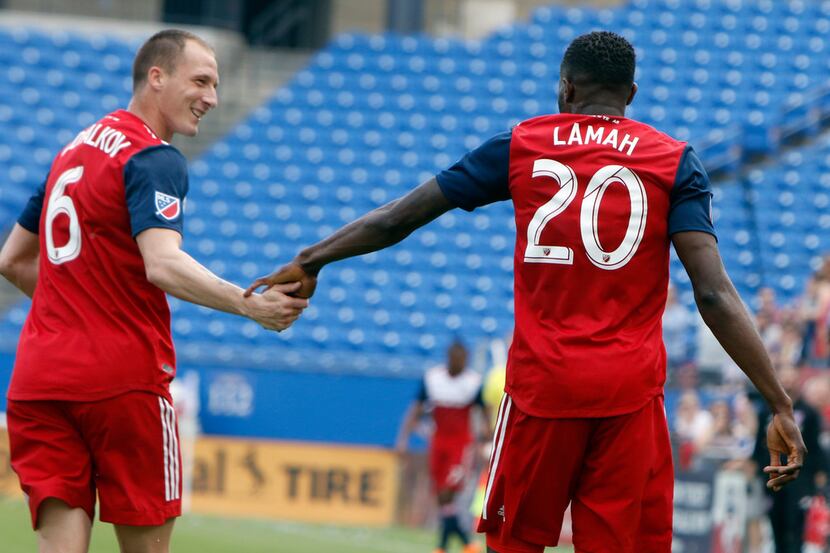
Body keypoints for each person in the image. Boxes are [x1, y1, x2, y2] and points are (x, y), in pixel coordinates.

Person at [245, 31, 806, 553]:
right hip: (629, 398)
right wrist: (778, 402)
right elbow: (712, 294)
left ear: (566, 87)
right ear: (630, 93)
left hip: (543, 391)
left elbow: (398, 218)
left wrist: (310, 258)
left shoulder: (522, 144)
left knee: (515, 544)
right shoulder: (674, 160)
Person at [0, 29, 307, 553]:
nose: (212, 97)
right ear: (156, 77)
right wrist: (248, 304)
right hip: (122, 383)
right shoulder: (152, 156)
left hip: (37, 380)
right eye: (202, 80)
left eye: (217, 84)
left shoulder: (70, 153)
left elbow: (10, 259)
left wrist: (78, 311)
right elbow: (162, 264)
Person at [396, 340, 490, 553]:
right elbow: (415, 410)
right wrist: (403, 439)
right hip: (438, 443)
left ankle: (442, 547)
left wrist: (486, 439)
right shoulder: (433, 379)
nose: (460, 363)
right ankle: (466, 544)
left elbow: (484, 413)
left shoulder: (472, 382)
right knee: (441, 496)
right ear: (450, 358)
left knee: (448, 493)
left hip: (460, 445)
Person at [752, 366, 828, 553]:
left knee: (795, 525)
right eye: (783, 379)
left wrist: (820, 474)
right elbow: (759, 445)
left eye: (790, 379)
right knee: (775, 523)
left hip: (799, 479)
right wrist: (756, 469)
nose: (787, 383)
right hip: (773, 477)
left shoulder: (809, 413)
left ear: (797, 381)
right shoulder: (766, 411)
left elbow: (815, 447)